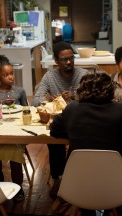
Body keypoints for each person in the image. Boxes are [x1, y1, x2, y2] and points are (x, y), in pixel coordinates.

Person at [50, 70, 122, 215]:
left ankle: (91, 210)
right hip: (120, 186)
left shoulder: (72, 109)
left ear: (81, 90)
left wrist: (76, 130)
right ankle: (109, 209)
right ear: (111, 90)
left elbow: (54, 130)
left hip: (78, 185)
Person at [31, 41, 87, 197]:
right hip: (59, 123)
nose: (69, 62)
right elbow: (35, 101)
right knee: (53, 138)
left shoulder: (83, 75)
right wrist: (50, 99)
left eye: (71, 58)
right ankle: (58, 178)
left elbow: (93, 99)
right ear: (56, 61)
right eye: (64, 59)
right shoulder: (50, 76)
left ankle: (74, 178)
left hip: (80, 122)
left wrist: (75, 96)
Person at [0, 55, 28, 202]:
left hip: (16, 131)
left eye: (11, 73)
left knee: (16, 154)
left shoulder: (19, 91)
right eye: (6, 75)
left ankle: (18, 187)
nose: (10, 77)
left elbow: (27, 111)